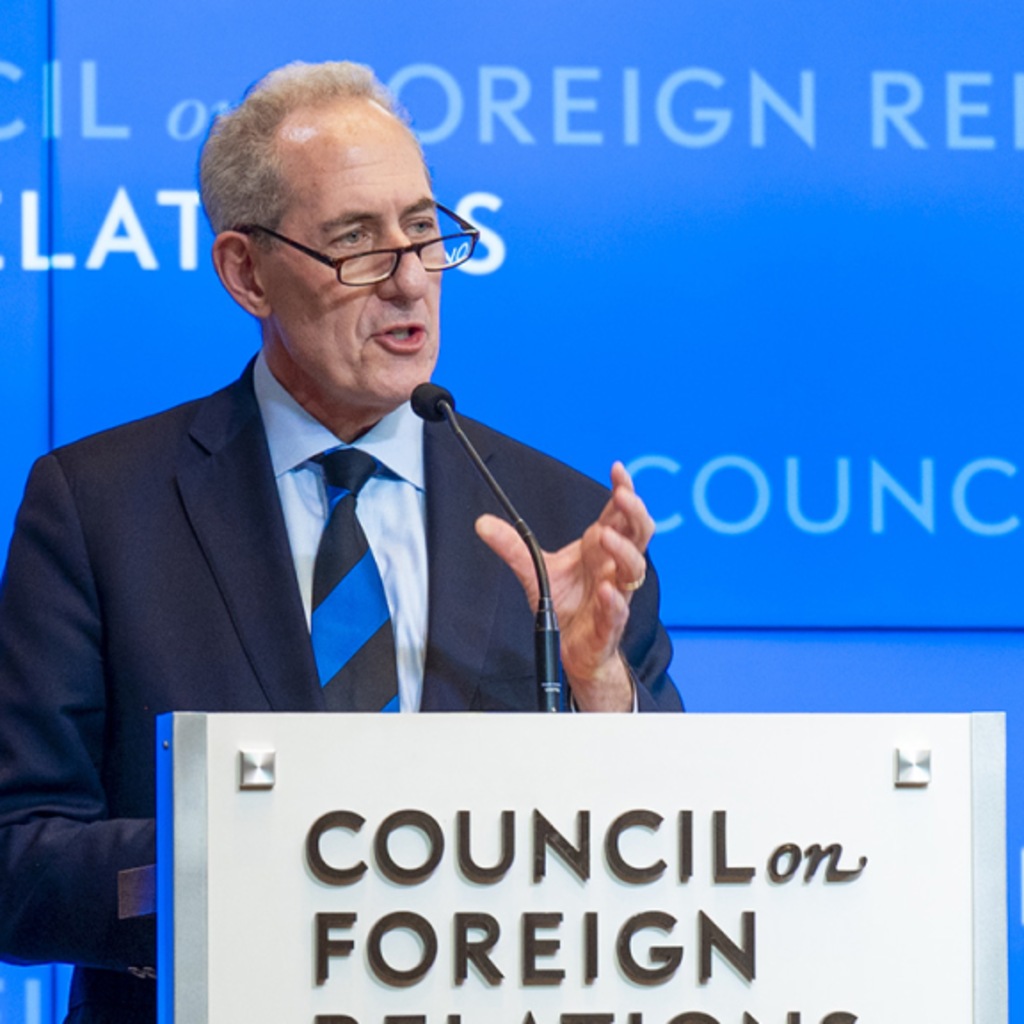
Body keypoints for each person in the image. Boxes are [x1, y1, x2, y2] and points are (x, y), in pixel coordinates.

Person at [0, 60, 681, 1023]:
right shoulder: (100, 506)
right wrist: (267, 860)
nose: (409, 279)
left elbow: (669, 849)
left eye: (423, 231)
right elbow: (18, 861)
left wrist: (598, 688)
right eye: (355, 242)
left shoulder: (556, 517)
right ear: (247, 273)